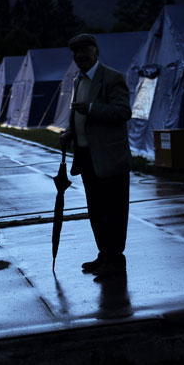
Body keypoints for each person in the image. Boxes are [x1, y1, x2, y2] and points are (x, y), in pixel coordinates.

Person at [59, 33, 132, 277]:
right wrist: (69, 131)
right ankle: (104, 255)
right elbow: (76, 116)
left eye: (84, 51)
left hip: (110, 158)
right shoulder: (78, 81)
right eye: (76, 53)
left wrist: (91, 109)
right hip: (86, 157)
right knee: (96, 210)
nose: (80, 56)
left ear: (96, 52)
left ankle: (116, 259)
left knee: (115, 210)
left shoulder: (112, 78)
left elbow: (123, 112)